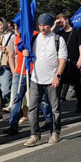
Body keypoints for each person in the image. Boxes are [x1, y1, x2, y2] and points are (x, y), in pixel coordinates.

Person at [24, 14, 68, 147]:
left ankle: (55, 132)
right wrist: (26, 53)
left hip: (52, 79)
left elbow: (62, 60)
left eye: (45, 25)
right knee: (32, 108)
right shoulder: (34, 38)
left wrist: (58, 75)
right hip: (36, 79)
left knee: (55, 108)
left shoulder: (58, 39)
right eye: (40, 25)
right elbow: (30, 55)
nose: (42, 28)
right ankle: (34, 135)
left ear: (50, 25)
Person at [55, 13, 81, 113]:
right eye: (59, 22)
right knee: (59, 83)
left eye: (62, 21)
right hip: (62, 62)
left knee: (77, 84)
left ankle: (80, 104)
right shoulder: (59, 33)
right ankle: (57, 106)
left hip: (73, 61)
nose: (61, 24)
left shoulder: (76, 31)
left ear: (67, 20)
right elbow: (48, 36)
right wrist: (55, 25)